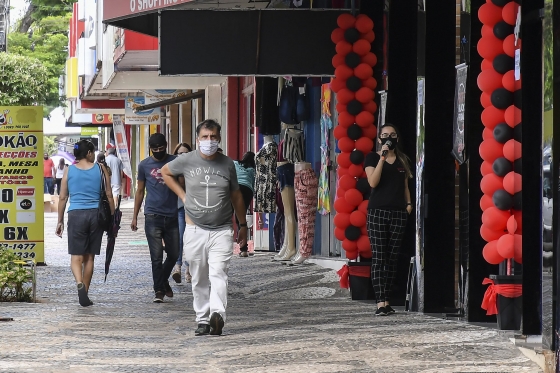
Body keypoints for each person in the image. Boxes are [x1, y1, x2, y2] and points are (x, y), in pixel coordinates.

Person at [161, 119, 248, 336]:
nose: (209, 141)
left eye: (213, 137)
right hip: (195, 229)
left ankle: (217, 315)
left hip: (222, 230)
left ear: (219, 139)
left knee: (219, 272)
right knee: (199, 276)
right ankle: (202, 319)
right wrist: (183, 195)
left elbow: (236, 194)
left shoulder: (228, 164)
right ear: (198, 139)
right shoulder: (187, 160)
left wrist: (243, 224)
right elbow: (165, 172)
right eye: (205, 137)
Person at [55, 140, 115, 307]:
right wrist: (113, 217)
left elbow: (62, 197)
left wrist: (59, 221)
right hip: (96, 215)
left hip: (75, 215)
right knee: (89, 257)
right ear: (89, 153)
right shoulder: (101, 169)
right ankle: (85, 294)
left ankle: (79, 284)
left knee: (76, 256)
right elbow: (109, 194)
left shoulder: (69, 170)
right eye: (93, 151)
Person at [364, 123, 413, 317]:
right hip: (377, 211)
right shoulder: (373, 157)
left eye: (392, 135)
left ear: (397, 139)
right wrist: (382, 158)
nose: (389, 138)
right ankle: (380, 302)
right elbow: (373, 182)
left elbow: (405, 185)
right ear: (379, 139)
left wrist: (408, 205)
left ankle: (388, 300)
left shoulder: (402, 160)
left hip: (398, 212)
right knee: (379, 256)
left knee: (392, 258)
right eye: (385, 135)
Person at [130, 133, 180, 303]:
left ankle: (163, 280)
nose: (158, 151)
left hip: (172, 215)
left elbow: (184, 184)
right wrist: (135, 216)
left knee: (174, 254)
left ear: (166, 145)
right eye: (155, 149)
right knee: (156, 256)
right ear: (150, 149)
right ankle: (158, 290)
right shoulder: (144, 165)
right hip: (152, 215)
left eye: (161, 148)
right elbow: (139, 191)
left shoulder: (175, 161)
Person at [171, 142, 193, 284]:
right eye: (179, 153)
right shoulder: (172, 169)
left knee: (191, 240)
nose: (182, 155)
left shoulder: (194, 168)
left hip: (193, 208)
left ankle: (189, 269)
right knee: (179, 238)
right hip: (179, 207)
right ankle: (177, 268)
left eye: (185, 153)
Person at [233, 151, 256, 257]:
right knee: (241, 218)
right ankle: (244, 249)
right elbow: (252, 183)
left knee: (228, 215)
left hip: (235, 188)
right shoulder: (252, 169)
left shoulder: (235, 163)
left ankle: (225, 245)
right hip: (247, 190)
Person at [105, 144, 124, 208]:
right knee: (115, 194)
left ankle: (110, 208)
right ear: (115, 152)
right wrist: (121, 181)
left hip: (107, 181)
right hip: (116, 180)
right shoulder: (118, 160)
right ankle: (115, 207)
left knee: (108, 194)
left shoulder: (105, 160)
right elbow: (121, 172)